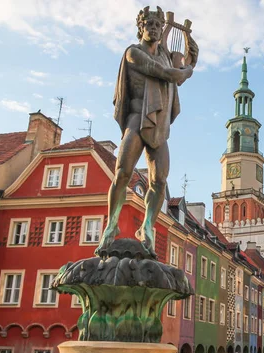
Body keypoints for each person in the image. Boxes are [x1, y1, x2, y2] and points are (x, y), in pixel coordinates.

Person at [95, 6, 197, 257]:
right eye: (148, 24)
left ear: (161, 29)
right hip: (136, 119)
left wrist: (189, 57)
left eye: (157, 25)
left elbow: (183, 65)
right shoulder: (134, 53)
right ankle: (111, 225)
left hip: (158, 125)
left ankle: (147, 228)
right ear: (140, 27)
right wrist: (184, 71)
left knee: (160, 179)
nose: (153, 28)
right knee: (122, 172)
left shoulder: (165, 54)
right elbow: (163, 73)